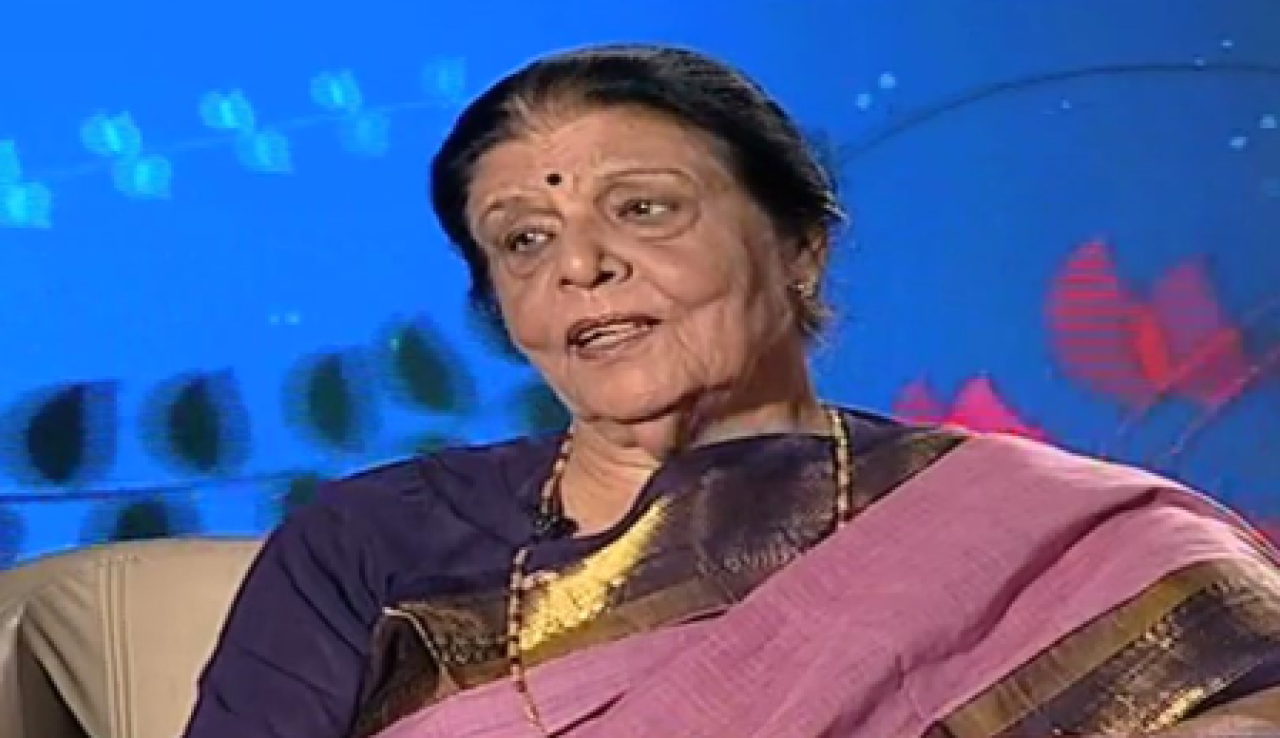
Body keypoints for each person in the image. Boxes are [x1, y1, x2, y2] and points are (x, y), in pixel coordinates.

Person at [182, 43, 1280, 738]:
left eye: (643, 209)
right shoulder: (371, 544)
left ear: (799, 246)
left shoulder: (1050, 539)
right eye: (523, 239)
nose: (580, 264)